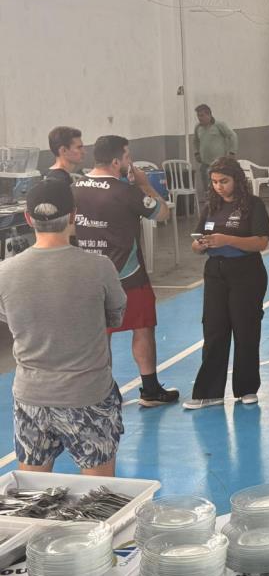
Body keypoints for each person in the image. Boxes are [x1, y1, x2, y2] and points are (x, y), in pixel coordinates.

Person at [0, 182, 126, 476]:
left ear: (28, 218)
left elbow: (9, 317)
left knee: (31, 493)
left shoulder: (5, 273)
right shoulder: (100, 267)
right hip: (87, 394)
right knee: (99, 495)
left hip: (32, 397)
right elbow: (116, 316)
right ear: (74, 216)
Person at [72, 135, 177, 406]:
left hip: (88, 276)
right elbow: (162, 213)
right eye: (128, 157)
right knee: (142, 327)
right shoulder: (125, 191)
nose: (130, 162)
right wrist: (145, 185)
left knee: (99, 335)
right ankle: (150, 389)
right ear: (117, 160)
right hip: (127, 276)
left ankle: (103, 392)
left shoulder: (75, 187)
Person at [186, 157, 269, 409]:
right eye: (214, 182)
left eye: (224, 181)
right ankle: (209, 392)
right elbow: (195, 243)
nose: (219, 187)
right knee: (214, 330)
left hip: (246, 273)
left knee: (245, 330)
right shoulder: (211, 206)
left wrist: (228, 240)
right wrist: (200, 244)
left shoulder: (253, 205)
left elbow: (261, 242)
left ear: (237, 180)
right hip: (215, 272)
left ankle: (246, 388)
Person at [193, 105, 238, 203]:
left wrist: (232, 152)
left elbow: (233, 136)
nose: (200, 118)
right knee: (208, 188)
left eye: (202, 115)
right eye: (198, 116)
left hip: (219, 163)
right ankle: (211, 205)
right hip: (205, 163)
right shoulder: (198, 128)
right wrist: (196, 153)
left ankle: (223, 204)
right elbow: (195, 141)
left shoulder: (219, 125)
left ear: (209, 114)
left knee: (220, 187)